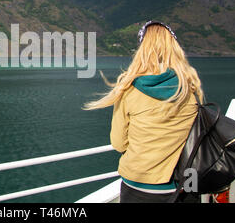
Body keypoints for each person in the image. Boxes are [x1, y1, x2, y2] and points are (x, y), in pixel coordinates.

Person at [83, 20, 204, 203]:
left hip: (139, 184)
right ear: (175, 48)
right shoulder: (190, 89)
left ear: (142, 49)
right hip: (185, 184)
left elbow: (118, 143)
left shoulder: (129, 90)